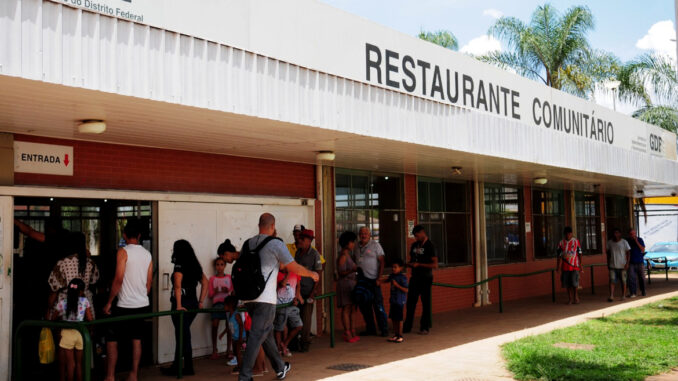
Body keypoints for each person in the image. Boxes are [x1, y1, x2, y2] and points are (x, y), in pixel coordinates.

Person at [237, 213, 319, 381]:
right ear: (273, 226)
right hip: (265, 299)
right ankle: (244, 376)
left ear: (259, 225)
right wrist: (311, 273)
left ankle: (280, 368)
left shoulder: (248, 243)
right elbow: (293, 266)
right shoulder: (275, 243)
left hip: (248, 297)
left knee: (265, 333)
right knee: (256, 335)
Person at [102, 219, 153, 381]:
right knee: (136, 340)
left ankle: (110, 376)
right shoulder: (147, 254)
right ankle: (133, 374)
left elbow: (118, 278)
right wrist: (140, 295)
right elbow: (148, 284)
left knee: (112, 339)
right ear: (139, 235)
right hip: (142, 303)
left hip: (123, 304)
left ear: (124, 235)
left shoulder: (123, 252)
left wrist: (110, 301)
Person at [161, 240, 209, 376]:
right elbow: (206, 282)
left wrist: (178, 305)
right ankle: (180, 366)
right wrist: (200, 302)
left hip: (181, 305)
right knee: (183, 335)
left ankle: (186, 367)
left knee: (183, 336)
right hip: (192, 303)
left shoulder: (179, 265)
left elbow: (177, 285)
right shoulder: (194, 264)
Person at [47, 232, 100, 318]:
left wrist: (49, 310)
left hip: (64, 307)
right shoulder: (90, 262)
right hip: (86, 307)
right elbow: (94, 281)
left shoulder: (62, 263)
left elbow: (54, 290)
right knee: (85, 330)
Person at [51, 278, 94, 381]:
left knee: (70, 364)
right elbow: (90, 318)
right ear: (81, 291)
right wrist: (90, 330)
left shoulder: (62, 302)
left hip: (67, 333)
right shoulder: (85, 301)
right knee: (79, 364)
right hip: (80, 333)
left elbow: (53, 318)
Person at [352, 226, 388, 337]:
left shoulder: (375, 245)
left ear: (369, 235)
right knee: (365, 306)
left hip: (373, 280)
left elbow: (382, 262)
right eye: (361, 233)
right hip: (362, 281)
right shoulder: (356, 246)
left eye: (365, 233)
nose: (363, 235)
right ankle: (371, 329)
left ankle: (384, 329)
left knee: (378, 305)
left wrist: (379, 278)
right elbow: (354, 260)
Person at [403, 225, 438, 335]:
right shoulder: (414, 245)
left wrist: (420, 265)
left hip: (426, 278)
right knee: (411, 302)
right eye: (415, 236)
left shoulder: (430, 246)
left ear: (423, 233)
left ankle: (425, 327)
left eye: (417, 236)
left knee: (425, 303)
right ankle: (407, 326)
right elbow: (412, 259)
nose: (416, 238)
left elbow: (435, 264)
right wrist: (410, 264)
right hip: (414, 277)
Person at [294, 229, 323, 352]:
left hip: (308, 291)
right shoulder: (298, 253)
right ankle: (295, 343)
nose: (299, 241)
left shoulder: (314, 254)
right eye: (299, 238)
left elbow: (318, 272)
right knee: (295, 318)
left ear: (309, 241)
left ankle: (305, 343)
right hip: (297, 291)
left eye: (302, 239)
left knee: (306, 319)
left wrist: (313, 292)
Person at [274, 269, 303, 357]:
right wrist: (288, 274)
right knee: (280, 328)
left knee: (299, 326)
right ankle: (279, 348)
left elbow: (298, 286)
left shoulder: (296, 273)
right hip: (280, 304)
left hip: (291, 304)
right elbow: (282, 284)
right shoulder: (277, 273)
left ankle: (284, 344)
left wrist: (297, 296)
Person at [336, 231, 359, 343]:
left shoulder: (348, 255)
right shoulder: (343, 256)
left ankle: (352, 330)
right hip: (345, 284)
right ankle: (347, 332)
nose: (353, 244)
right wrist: (352, 270)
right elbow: (341, 272)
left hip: (351, 283)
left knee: (353, 308)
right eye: (352, 242)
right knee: (346, 308)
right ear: (347, 243)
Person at [209, 257, 233, 360]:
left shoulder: (229, 277)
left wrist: (227, 290)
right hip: (216, 305)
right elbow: (210, 295)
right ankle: (214, 350)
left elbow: (232, 292)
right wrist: (215, 292)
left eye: (222, 264)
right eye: (217, 264)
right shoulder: (212, 279)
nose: (219, 267)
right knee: (215, 325)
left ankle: (228, 350)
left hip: (227, 304)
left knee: (229, 327)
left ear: (225, 266)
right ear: (215, 266)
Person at [556, 226, 584, 305]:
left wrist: (580, 265)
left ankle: (576, 297)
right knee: (567, 284)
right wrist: (558, 267)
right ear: (564, 234)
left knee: (574, 283)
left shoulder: (576, 242)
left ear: (571, 234)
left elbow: (580, 253)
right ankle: (570, 299)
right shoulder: (561, 243)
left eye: (569, 233)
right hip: (565, 267)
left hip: (574, 266)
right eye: (566, 234)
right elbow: (559, 256)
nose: (568, 235)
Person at [387, 258, 408, 343]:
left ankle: (400, 335)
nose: (393, 269)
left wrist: (397, 285)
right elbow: (386, 280)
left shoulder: (402, 278)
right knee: (393, 318)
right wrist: (378, 281)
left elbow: (406, 290)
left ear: (401, 268)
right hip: (393, 300)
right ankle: (395, 335)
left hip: (399, 301)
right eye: (392, 267)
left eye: (395, 267)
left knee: (399, 319)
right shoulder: (392, 276)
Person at [607, 228, 631, 302]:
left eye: (617, 233)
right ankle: (611, 296)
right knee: (612, 281)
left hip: (622, 265)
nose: (616, 234)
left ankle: (623, 295)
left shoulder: (624, 242)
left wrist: (627, 263)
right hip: (613, 265)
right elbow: (607, 253)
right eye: (615, 233)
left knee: (623, 281)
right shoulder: (610, 242)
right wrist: (608, 262)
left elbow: (628, 252)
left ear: (620, 234)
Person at [626, 229, 646, 297]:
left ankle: (643, 291)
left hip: (640, 262)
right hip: (631, 262)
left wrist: (636, 241)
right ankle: (633, 293)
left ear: (636, 234)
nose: (632, 235)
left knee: (642, 278)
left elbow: (642, 249)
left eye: (634, 234)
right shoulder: (627, 241)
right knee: (631, 278)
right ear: (629, 234)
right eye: (631, 234)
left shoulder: (640, 239)